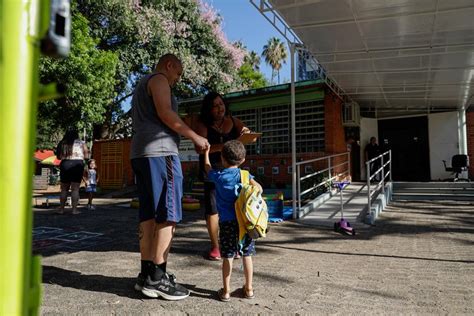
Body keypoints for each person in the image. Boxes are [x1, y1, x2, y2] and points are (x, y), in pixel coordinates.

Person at [130, 53, 209, 301]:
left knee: (149, 215)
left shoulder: (142, 84)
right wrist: (195, 137)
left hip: (141, 153)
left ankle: (146, 274)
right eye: (179, 73)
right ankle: (158, 279)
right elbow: (166, 113)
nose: (177, 79)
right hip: (161, 152)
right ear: (170, 65)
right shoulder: (160, 79)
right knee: (168, 213)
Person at [193, 92, 250, 260]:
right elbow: (199, 148)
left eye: (221, 104)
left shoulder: (232, 120)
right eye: (215, 106)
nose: (220, 108)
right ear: (209, 110)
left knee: (236, 206)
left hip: (232, 172)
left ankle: (236, 244)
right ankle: (216, 246)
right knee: (213, 209)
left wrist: (247, 133)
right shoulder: (202, 124)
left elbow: (245, 131)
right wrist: (224, 147)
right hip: (211, 170)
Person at [203, 140, 262, 301]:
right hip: (245, 222)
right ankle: (249, 289)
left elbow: (207, 169)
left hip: (227, 223)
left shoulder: (219, 176)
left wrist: (206, 153)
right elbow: (259, 189)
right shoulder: (244, 175)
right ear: (242, 160)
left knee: (228, 256)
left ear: (222, 158)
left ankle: (226, 291)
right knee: (247, 255)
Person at [55, 129, 89, 215]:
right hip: (77, 164)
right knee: (75, 189)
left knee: (64, 189)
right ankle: (74, 210)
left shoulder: (62, 143)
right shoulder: (82, 143)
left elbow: (58, 157)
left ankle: (61, 209)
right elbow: (86, 155)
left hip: (65, 164)